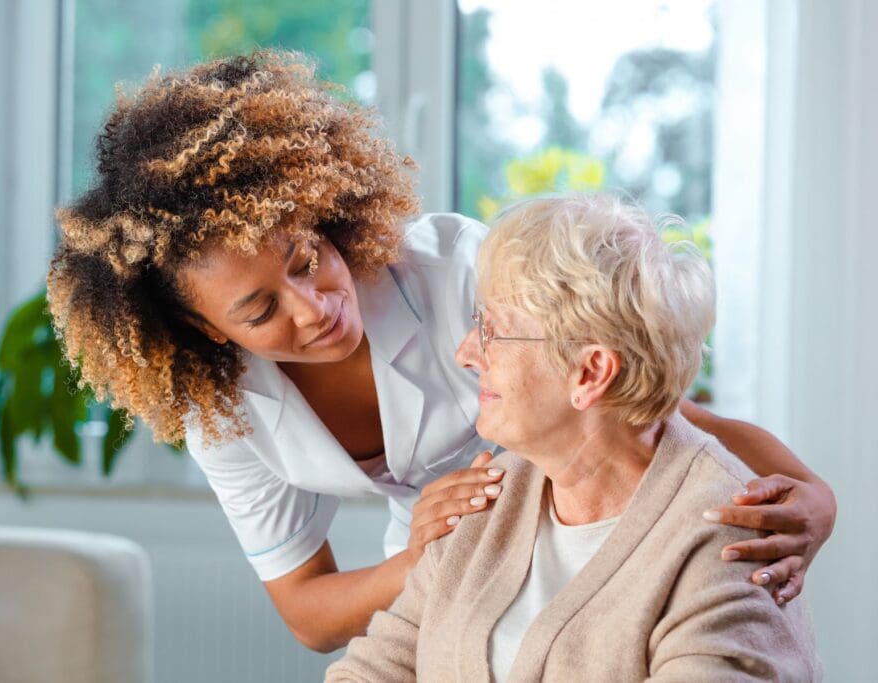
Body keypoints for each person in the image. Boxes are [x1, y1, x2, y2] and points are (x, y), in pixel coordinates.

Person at [46, 50, 835, 652]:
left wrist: (813, 494)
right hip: (443, 561)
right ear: (211, 333)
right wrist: (424, 555)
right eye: (260, 310)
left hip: (591, 520)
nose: (316, 307)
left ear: (320, 212)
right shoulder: (224, 409)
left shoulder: (456, 270)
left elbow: (649, 405)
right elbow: (310, 611)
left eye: (306, 257)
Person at [327, 194, 821, 681]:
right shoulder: (489, 494)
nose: (466, 353)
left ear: (589, 373)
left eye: (491, 330)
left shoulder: (724, 543)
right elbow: (377, 666)